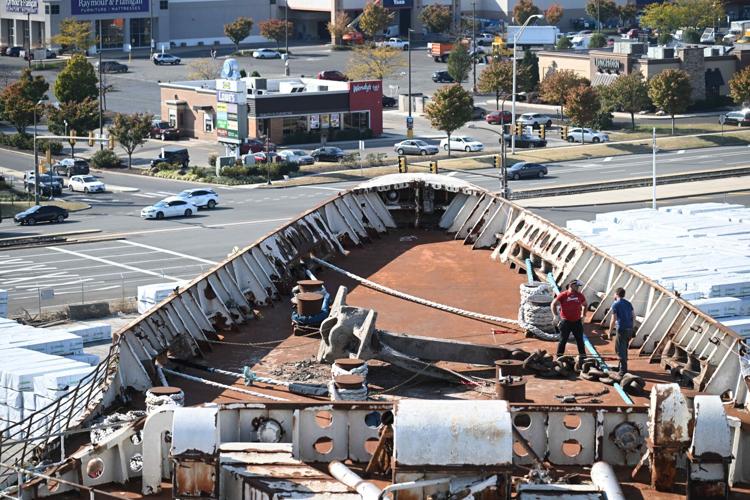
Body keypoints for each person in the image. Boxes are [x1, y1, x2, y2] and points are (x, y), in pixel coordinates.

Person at [550, 279, 587, 362]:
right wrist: (555, 316)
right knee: (563, 340)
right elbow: (553, 304)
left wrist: (583, 315)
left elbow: (585, 305)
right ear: (571, 285)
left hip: (577, 322)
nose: (578, 287)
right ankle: (559, 358)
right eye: (576, 286)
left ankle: (583, 357)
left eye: (578, 286)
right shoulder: (563, 295)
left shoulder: (580, 295)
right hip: (566, 322)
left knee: (580, 340)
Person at [609, 287, 635, 375]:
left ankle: (623, 370)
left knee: (619, 350)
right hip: (629, 329)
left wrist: (610, 332)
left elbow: (613, 319)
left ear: (616, 294)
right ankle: (621, 367)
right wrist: (632, 328)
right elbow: (633, 316)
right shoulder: (628, 303)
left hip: (621, 329)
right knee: (624, 348)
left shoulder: (615, 304)